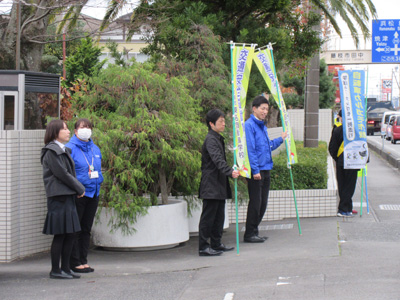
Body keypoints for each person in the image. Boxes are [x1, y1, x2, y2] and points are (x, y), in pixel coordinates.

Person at [41, 119, 85, 279]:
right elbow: (62, 174)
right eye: (65, 129)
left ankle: (66, 268)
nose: (68, 132)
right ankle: (55, 270)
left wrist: (76, 189)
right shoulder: (51, 151)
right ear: (55, 132)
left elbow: (68, 174)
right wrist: (80, 188)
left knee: (70, 233)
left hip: (67, 196)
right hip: (58, 198)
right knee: (60, 234)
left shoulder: (62, 149)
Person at [244, 95, 287, 243]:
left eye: (267, 109)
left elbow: (267, 146)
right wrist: (255, 170)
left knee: (263, 203)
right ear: (254, 109)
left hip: (266, 168)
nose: (265, 111)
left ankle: (254, 231)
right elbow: (251, 150)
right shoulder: (249, 125)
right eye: (262, 108)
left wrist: (281, 139)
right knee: (256, 203)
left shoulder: (262, 126)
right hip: (257, 171)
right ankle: (249, 233)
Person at [198, 109, 240, 256]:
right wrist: (230, 172)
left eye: (224, 120)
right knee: (208, 216)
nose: (223, 123)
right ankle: (203, 247)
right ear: (211, 123)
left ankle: (216, 243)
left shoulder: (217, 138)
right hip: (211, 184)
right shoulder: (211, 139)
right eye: (220, 121)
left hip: (219, 183)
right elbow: (217, 159)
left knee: (219, 216)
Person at [66, 118, 103, 273]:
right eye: (82, 127)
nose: (86, 129)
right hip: (79, 194)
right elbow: (66, 173)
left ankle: (83, 260)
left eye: (88, 127)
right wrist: (76, 189)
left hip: (93, 193)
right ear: (75, 131)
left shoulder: (95, 149)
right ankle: (74, 262)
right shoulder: (70, 148)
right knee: (75, 229)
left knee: (86, 229)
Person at [329, 110, 359, 217]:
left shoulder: (337, 130)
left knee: (342, 186)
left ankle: (347, 208)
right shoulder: (357, 131)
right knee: (350, 186)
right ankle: (343, 209)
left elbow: (332, 148)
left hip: (342, 162)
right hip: (354, 162)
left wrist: (338, 159)